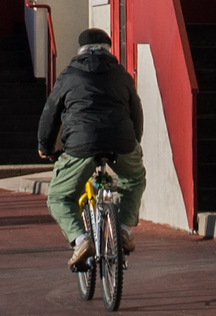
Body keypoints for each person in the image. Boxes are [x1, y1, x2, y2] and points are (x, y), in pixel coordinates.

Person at [38, 28, 147, 271]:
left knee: (58, 196)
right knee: (135, 180)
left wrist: (45, 147)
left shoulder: (69, 75)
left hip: (81, 145)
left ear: (80, 50)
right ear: (109, 49)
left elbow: (50, 113)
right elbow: (136, 112)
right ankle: (125, 229)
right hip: (122, 142)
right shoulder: (121, 74)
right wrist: (134, 142)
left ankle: (81, 239)